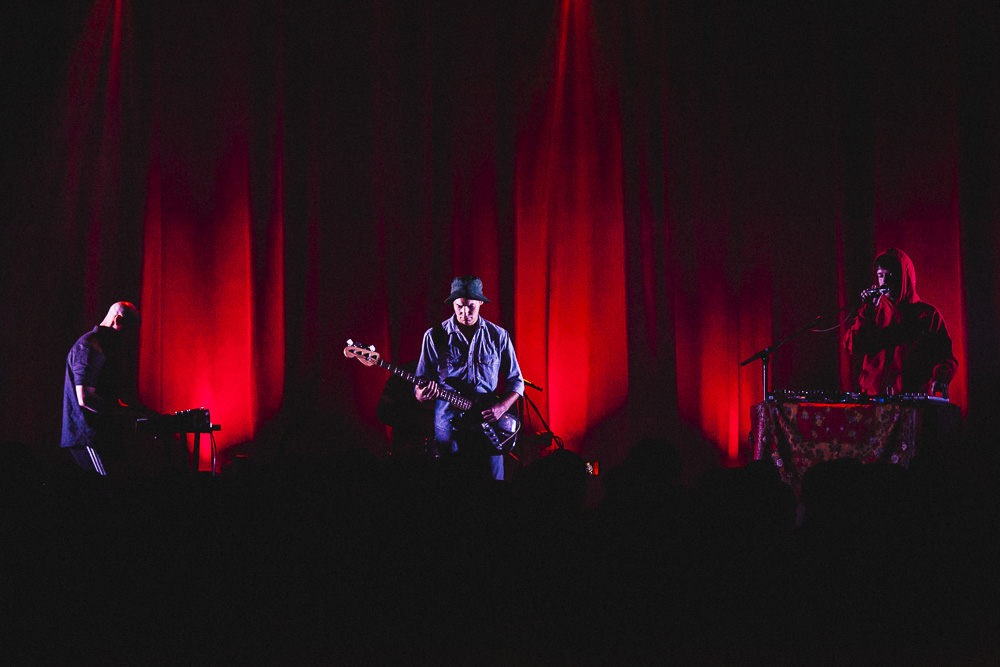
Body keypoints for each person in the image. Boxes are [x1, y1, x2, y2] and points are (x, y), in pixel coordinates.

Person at [414, 276, 524, 480]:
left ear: (481, 302)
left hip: (488, 425)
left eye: (470, 307)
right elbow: (420, 384)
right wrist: (421, 394)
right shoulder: (434, 336)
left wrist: (501, 408)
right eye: (459, 307)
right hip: (450, 425)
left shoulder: (498, 336)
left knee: (493, 487)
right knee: (453, 488)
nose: (465, 313)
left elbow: (517, 381)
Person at [844, 248, 957, 397]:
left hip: (911, 399)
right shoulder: (873, 311)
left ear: (904, 277)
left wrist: (941, 377)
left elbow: (945, 356)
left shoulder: (927, 315)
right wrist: (868, 309)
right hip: (873, 397)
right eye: (880, 276)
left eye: (891, 275)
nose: (885, 281)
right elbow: (853, 345)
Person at [61, 301, 154, 474]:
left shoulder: (101, 347)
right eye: (127, 330)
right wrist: (125, 414)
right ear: (117, 319)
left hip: (99, 435)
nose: (127, 337)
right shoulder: (89, 347)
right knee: (107, 490)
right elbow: (85, 398)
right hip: (89, 436)